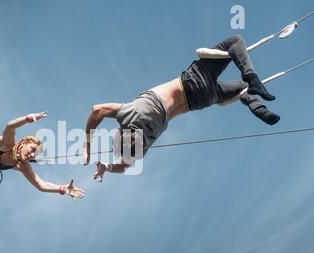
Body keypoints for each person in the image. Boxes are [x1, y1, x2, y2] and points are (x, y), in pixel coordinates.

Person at [84, 35, 280, 182]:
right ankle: (252, 78)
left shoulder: (144, 144)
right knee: (235, 41)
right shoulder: (130, 115)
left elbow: (125, 167)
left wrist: (106, 167)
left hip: (200, 101)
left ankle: (253, 101)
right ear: (122, 130)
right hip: (192, 82)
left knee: (239, 90)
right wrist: (88, 144)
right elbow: (97, 110)